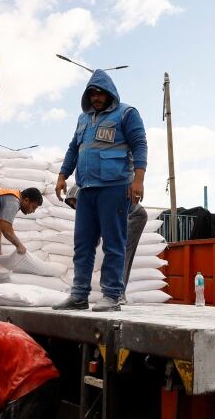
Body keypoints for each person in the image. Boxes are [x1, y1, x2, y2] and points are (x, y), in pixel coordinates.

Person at [54, 69, 148, 312]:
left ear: (109, 93)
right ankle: (79, 295)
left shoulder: (126, 114)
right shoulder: (83, 119)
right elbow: (73, 149)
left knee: (114, 243)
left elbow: (139, 145)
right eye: (92, 93)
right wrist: (63, 176)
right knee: (83, 244)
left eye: (100, 93)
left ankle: (113, 295)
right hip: (86, 189)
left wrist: (138, 180)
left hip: (115, 188)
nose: (96, 97)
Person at [65, 185, 148, 304]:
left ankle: (118, 295)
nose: (76, 207)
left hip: (134, 216)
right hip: (126, 213)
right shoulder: (91, 197)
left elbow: (102, 218)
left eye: (75, 203)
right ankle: (118, 293)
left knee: (119, 252)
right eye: (73, 206)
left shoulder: (91, 195)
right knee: (118, 251)